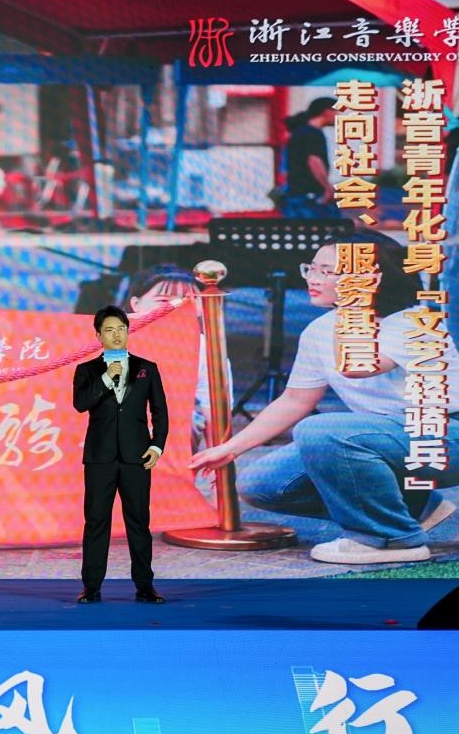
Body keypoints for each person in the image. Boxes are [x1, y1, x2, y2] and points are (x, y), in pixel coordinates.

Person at [190, 230, 459, 564]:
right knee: (262, 484)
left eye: (327, 271)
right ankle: (412, 507)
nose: (312, 278)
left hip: (444, 437)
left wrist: (353, 302)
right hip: (380, 440)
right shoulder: (320, 329)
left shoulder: (414, 323)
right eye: (311, 268)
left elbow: (357, 366)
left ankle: (390, 538)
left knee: (320, 430)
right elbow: (295, 400)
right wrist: (229, 449)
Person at [72, 305, 169, 605]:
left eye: (121, 329)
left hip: (136, 458)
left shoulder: (147, 368)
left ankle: (145, 587)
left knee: (138, 522)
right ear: (98, 335)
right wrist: (106, 379)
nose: (117, 335)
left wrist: (156, 446)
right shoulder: (87, 370)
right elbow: (80, 404)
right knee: (96, 522)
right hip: (99, 459)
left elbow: (160, 411)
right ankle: (91, 587)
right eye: (110, 330)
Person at [123, 264, 233, 453]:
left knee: (183, 418)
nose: (176, 306)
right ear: (136, 304)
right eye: (163, 300)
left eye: (189, 299)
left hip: (171, 433)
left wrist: (220, 464)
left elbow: (215, 415)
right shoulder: (107, 338)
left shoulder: (207, 349)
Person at [280, 96, 339, 219]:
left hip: (295, 194)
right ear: (327, 112)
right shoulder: (313, 133)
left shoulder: (299, 132)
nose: (338, 116)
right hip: (311, 196)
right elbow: (314, 161)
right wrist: (327, 187)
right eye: (336, 112)